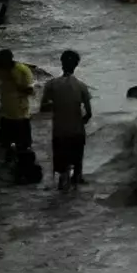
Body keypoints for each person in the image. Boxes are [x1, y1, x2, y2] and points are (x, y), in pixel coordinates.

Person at [40, 50, 92, 190]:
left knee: (62, 168)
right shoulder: (82, 86)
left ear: (61, 63)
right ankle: (77, 181)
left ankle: (63, 184)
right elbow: (89, 113)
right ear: (76, 66)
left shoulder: (51, 85)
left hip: (59, 132)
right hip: (76, 132)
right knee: (77, 166)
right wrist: (82, 121)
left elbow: (43, 108)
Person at [0, 50, 35, 162]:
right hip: (5, 113)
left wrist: (14, 81)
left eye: (1, 63)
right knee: (4, 145)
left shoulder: (22, 71)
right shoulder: (3, 69)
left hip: (20, 115)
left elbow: (30, 91)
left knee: (23, 147)